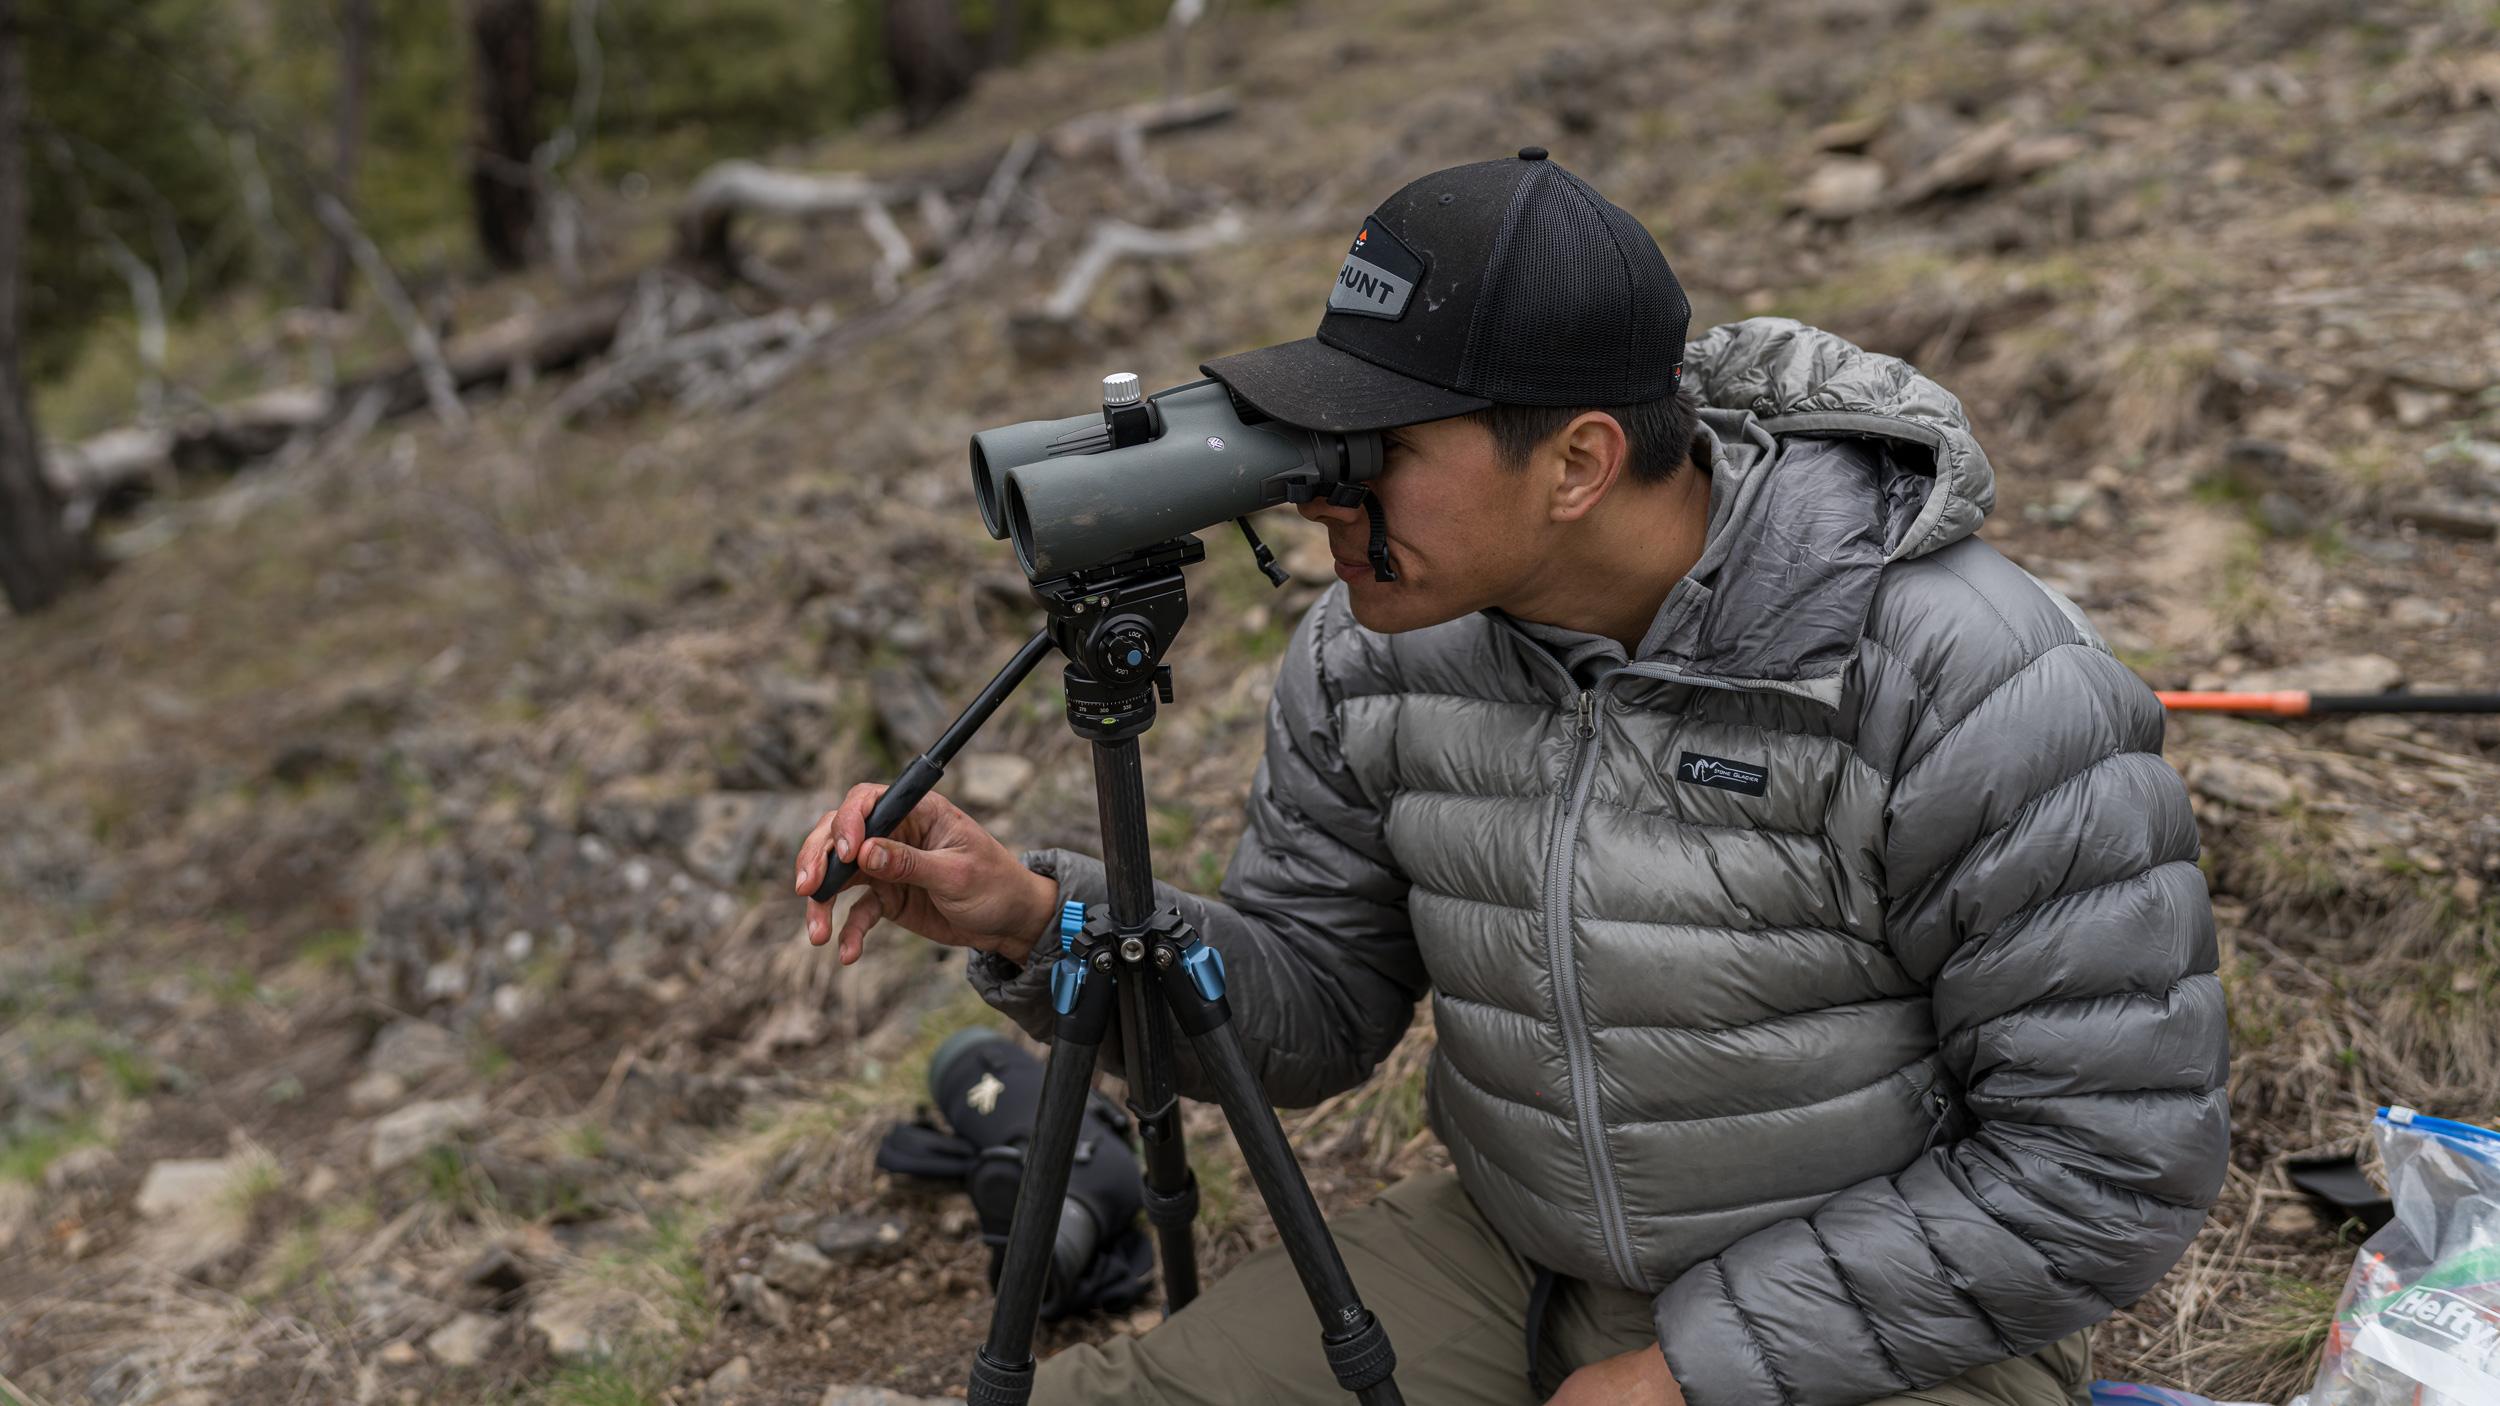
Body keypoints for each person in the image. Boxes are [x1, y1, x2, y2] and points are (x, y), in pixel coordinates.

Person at [792, 149, 2228, 1406]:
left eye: (1374, 450)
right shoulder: (1374, 655)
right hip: (1513, 1256)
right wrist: (1035, 917)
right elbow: (1313, 1009)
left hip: (1889, 1326)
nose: (1318, 496)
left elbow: (2108, 1164)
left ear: (1581, 462)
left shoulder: (1966, 674)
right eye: (1315, 440)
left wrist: (1692, 1369)